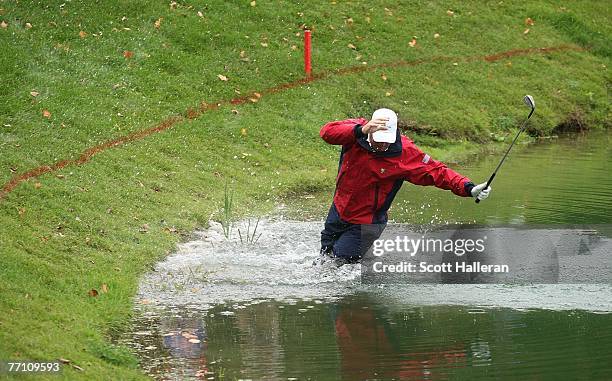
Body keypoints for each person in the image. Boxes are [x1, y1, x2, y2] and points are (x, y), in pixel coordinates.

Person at [318, 108, 491, 265]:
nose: (382, 146)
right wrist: (359, 131)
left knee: (337, 264)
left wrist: (468, 187)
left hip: (367, 223)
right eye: (378, 140)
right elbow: (327, 132)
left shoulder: (405, 152)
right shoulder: (357, 131)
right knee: (324, 257)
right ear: (369, 131)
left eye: (387, 141)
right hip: (338, 210)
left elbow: (438, 172)